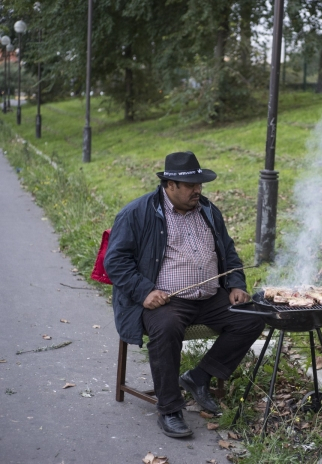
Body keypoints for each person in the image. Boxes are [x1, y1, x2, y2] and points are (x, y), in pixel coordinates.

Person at [104, 151, 265, 438]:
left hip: (209, 297)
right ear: (170, 185)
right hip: (166, 299)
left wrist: (237, 284)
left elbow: (228, 252)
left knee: (251, 317)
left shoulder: (208, 210)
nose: (198, 191)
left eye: (200, 184)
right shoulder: (137, 213)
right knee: (166, 328)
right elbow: (115, 261)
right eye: (190, 186)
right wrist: (145, 292)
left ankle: (198, 377)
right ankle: (169, 409)